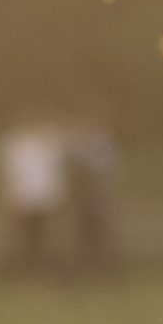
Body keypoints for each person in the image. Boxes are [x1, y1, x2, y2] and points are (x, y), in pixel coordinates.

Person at [0, 111, 70, 275]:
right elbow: (6, 172)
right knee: (24, 240)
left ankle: (49, 272)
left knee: (49, 239)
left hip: (47, 199)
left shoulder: (50, 138)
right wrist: (7, 197)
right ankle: (27, 273)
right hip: (22, 199)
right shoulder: (12, 141)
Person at [62, 113, 121, 275]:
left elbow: (109, 171)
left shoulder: (104, 142)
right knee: (76, 237)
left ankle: (107, 270)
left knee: (103, 235)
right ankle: (77, 271)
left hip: (98, 196)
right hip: (81, 197)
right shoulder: (77, 143)